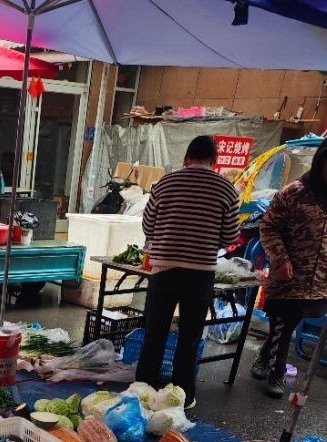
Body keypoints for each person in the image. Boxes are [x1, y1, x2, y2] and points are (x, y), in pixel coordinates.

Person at [135, 135, 240, 409]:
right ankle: (183, 396)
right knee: (189, 337)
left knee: (155, 333)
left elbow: (148, 225)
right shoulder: (226, 189)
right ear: (214, 160)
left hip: (164, 269)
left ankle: (143, 390)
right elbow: (230, 236)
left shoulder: (165, 183)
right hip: (200, 273)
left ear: (186, 158)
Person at [253, 139, 327, 398]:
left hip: (320, 280)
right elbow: (268, 227)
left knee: (287, 324)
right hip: (290, 275)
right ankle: (277, 374)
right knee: (284, 322)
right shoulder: (293, 193)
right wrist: (280, 259)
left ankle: (264, 357)